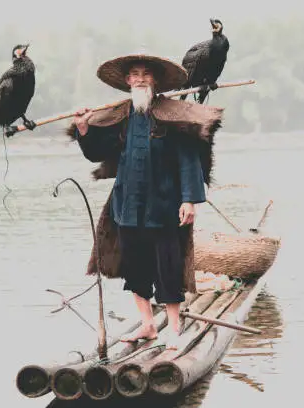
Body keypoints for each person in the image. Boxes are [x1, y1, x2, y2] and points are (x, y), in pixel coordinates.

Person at [67, 53, 224, 349]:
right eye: (135, 74)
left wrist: (190, 200)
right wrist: (84, 129)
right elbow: (96, 152)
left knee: (168, 266)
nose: (140, 78)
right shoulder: (120, 116)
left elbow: (188, 159)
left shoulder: (172, 115)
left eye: (146, 74)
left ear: (156, 80)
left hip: (164, 206)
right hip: (127, 206)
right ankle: (148, 325)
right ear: (127, 81)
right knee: (135, 267)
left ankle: (174, 330)